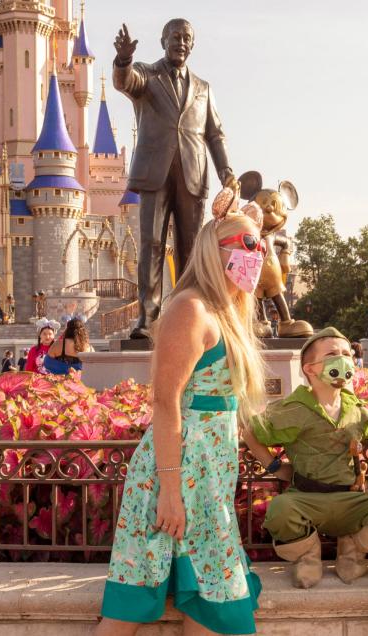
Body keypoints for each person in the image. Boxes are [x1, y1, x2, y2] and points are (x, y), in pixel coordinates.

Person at [97, 197, 268, 635]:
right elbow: (165, 400)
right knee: (133, 607)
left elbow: (233, 408)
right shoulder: (191, 308)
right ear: (216, 249)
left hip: (208, 479)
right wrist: (170, 492)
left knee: (210, 603)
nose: (258, 253)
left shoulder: (227, 312)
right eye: (248, 244)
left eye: (261, 245)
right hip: (177, 474)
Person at [243, 327, 368, 589]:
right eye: (332, 354)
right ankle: (308, 555)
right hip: (307, 500)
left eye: (347, 354)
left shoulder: (356, 409)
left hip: (350, 499)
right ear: (310, 369)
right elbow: (250, 430)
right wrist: (274, 466)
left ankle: (351, 550)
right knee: (280, 511)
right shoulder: (294, 408)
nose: (343, 358)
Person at [113, 18, 236, 339]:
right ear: (163, 40)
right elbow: (125, 82)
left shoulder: (203, 88)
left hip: (193, 174)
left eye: (187, 38)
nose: (181, 42)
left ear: (192, 45)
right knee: (151, 244)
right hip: (155, 172)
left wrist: (227, 172)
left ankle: (189, 312)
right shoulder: (146, 74)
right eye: (175, 37)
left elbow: (215, 135)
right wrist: (123, 60)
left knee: (192, 248)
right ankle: (148, 318)